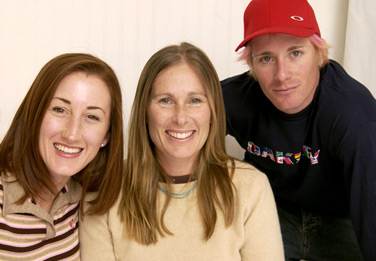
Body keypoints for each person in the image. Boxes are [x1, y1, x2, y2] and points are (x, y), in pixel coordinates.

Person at [79, 42, 284, 260]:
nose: (181, 117)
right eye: (165, 100)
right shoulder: (104, 187)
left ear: (213, 111)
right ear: (145, 112)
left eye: (195, 100)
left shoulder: (251, 187)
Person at [221, 0, 376, 260]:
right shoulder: (233, 100)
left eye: (295, 53)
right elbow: (175, 127)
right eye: (266, 58)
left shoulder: (355, 119)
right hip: (271, 209)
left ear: (319, 54)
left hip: (342, 217)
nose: (282, 75)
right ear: (252, 66)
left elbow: (371, 216)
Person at [0, 53, 123, 260]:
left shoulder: (81, 196)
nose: (72, 134)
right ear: (34, 115)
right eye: (60, 109)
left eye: (92, 117)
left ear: (106, 136)